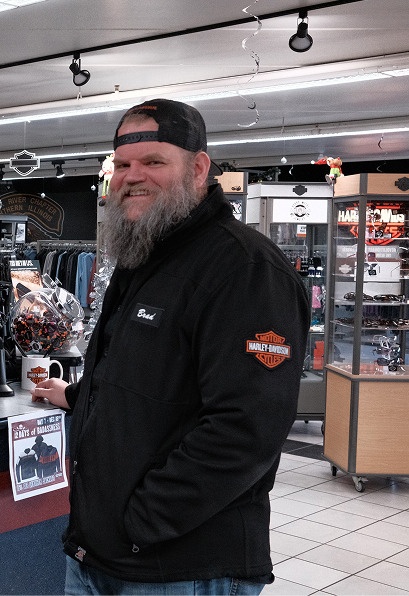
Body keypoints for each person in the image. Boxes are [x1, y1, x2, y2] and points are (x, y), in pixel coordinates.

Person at [32, 99, 309, 595]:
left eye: (153, 162)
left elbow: (246, 426)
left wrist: (140, 524)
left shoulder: (245, 270)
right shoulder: (144, 257)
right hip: (99, 556)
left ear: (198, 168)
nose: (132, 176)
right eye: (122, 165)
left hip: (179, 570)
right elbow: (142, 376)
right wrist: (75, 395)